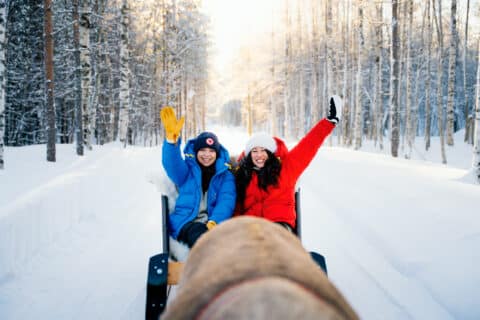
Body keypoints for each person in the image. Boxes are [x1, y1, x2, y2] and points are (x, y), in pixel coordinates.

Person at [234, 96, 342, 232]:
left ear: (271, 153)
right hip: (251, 226)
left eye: (263, 150)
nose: (259, 155)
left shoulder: (286, 168)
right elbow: (237, 205)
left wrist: (329, 122)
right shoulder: (243, 173)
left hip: (278, 224)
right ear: (249, 155)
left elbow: (309, 144)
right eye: (254, 151)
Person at [160, 106, 236, 248]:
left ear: (217, 154)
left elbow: (226, 202)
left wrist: (215, 222)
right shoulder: (187, 171)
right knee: (201, 238)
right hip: (187, 222)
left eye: (211, 151)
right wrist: (171, 143)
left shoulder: (225, 176)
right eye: (202, 150)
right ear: (196, 152)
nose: (206, 155)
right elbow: (172, 165)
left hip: (213, 224)